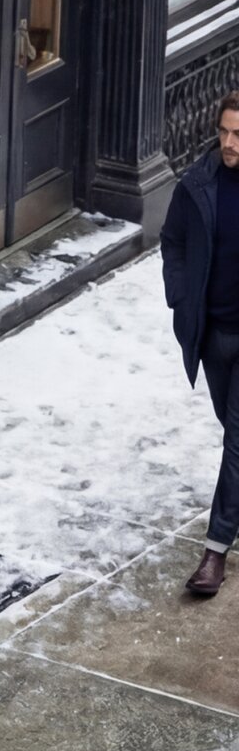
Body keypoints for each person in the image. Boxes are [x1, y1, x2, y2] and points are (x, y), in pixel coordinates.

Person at [160, 92, 239, 595]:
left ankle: (214, 553)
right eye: (225, 132)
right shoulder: (198, 184)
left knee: (238, 441)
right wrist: (181, 297)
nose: (230, 143)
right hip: (212, 333)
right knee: (231, 432)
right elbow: (173, 241)